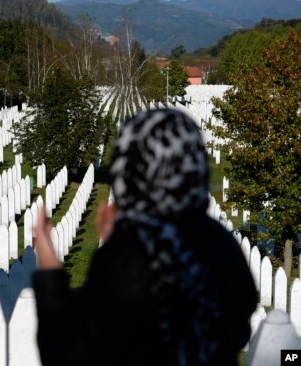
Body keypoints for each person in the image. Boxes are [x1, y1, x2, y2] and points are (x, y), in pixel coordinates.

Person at [32, 108, 258, 366]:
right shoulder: (221, 242)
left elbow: (67, 352)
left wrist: (49, 267)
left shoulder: (127, 254)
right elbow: (237, 326)